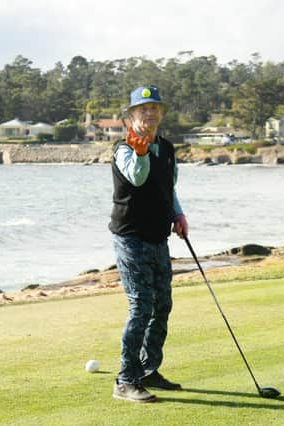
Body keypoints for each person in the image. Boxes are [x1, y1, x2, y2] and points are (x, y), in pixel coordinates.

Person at [109, 85, 189, 403]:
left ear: (161, 113)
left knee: (162, 305)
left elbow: (169, 188)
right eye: (143, 109)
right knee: (141, 306)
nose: (150, 113)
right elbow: (138, 179)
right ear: (131, 116)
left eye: (154, 108)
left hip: (159, 236)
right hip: (130, 237)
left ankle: (148, 370)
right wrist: (141, 153)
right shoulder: (125, 149)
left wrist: (178, 214)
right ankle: (125, 381)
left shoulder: (167, 148)